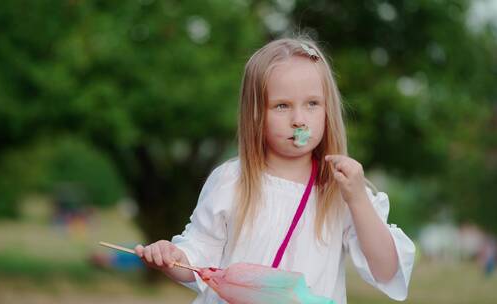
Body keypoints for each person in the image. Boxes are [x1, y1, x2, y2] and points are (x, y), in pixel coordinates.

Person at [134, 37, 415, 304]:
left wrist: (357, 200)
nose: (299, 120)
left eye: (312, 104)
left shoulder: (340, 189)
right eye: (282, 106)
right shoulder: (233, 181)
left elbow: (386, 270)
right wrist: (171, 257)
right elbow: (198, 259)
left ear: (328, 110)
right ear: (255, 114)